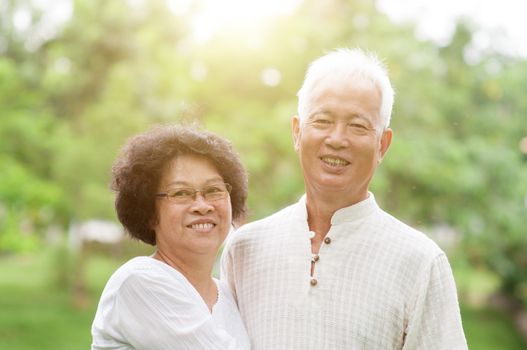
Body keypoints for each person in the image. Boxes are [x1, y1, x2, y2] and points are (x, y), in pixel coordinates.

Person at [221, 48, 468, 349]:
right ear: (297, 132)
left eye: (358, 126)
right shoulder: (245, 248)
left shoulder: (420, 262)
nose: (337, 139)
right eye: (322, 121)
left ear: (382, 145)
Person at [91, 125, 251, 350]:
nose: (202, 206)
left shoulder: (228, 296)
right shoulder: (140, 281)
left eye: (213, 190)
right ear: (148, 213)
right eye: (181, 193)